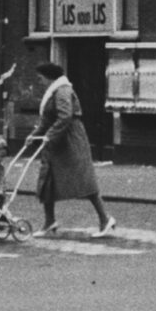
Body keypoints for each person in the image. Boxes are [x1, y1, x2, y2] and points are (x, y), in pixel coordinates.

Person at [31, 60, 115, 238]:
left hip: (70, 141)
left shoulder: (62, 91)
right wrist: (34, 136)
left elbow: (65, 116)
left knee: (83, 180)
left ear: (48, 77)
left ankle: (105, 219)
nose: (39, 82)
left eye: (40, 78)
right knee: (48, 179)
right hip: (56, 142)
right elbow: (47, 119)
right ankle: (49, 221)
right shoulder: (53, 91)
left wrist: (49, 135)